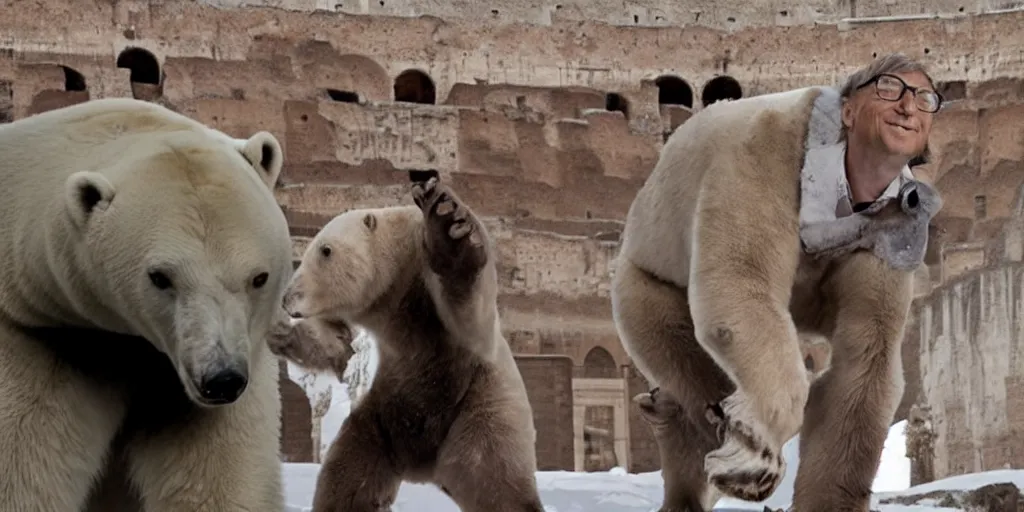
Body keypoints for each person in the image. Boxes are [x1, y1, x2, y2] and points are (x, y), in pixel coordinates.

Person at [801, 53, 942, 228]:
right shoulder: (793, 182)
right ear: (848, 113)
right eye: (889, 90)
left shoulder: (920, 213)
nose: (909, 108)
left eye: (924, 98)